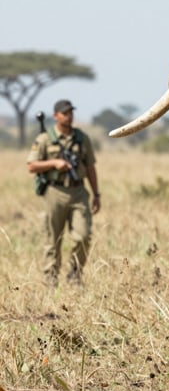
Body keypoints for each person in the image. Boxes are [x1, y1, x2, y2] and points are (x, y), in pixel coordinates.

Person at [27, 99, 101, 286]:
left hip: (78, 191)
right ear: (56, 116)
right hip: (54, 191)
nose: (69, 116)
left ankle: (75, 275)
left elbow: (91, 167)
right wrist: (54, 163)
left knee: (83, 235)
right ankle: (51, 279)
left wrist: (96, 194)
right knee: (52, 238)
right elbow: (32, 166)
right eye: (65, 113)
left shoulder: (82, 138)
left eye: (71, 113)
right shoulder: (45, 139)